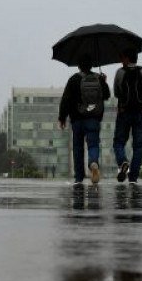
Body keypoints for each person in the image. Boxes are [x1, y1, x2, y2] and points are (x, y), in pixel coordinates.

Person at [58, 55, 111, 185]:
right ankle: (93, 162)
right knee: (93, 144)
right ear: (91, 65)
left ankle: (79, 177)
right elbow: (107, 95)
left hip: (77, 120)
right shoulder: (98, 78)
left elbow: (65, 99)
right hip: (93, 118)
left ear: (79, 66)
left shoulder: (74, 79)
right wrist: (104, 81)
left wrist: (62, 117)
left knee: (77, 147)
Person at [113, 48, 142, 183]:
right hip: (140, 113)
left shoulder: (120, 73)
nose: (120, 60)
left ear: (127, 59)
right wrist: (141, 103)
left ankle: (123, 162)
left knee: (119, 142)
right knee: (138, 146)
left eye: (122, 57)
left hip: (124, 113)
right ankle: (133, 177)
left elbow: (117, 92)